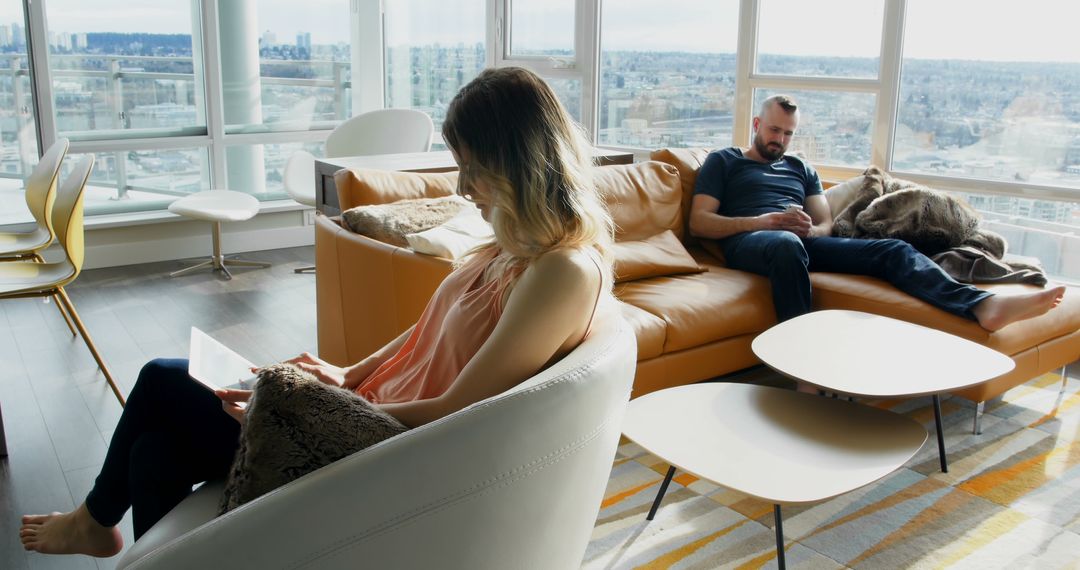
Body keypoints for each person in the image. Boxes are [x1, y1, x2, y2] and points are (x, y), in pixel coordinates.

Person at [20, 66, 615, 558]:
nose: (463, 187)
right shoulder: (512, 245)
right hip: (365, 415)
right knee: (155, 454)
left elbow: (459, 412)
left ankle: (91, 522)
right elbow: (429, 330)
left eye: (474, 168)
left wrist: (312, 408)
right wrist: (345, 374)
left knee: (161, 380)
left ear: (518, 159)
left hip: (379, 452)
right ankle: (112, 533)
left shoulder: (562, 271)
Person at [689, 94, 1065, 330]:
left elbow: (826, 224)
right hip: (751, 242)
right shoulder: (725, 160)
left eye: (788, 134)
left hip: (798, 242)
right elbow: (700, 222)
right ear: (757, 125)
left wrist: (811, 230)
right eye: (774, 130)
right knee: (786, 243)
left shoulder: (802, 168)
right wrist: (764, 222)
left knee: (893, 250)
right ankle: (801, 360)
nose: (781, 140)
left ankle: (983, 306)